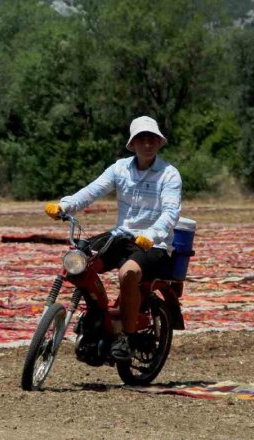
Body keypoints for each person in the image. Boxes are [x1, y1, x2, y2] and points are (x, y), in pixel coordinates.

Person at [44, 116, 182, 362]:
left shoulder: (169, 174)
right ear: (133, 143)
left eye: (152, 139)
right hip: (121, 236)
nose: (147, 144)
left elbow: (170, 213)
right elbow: (91, 191)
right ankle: (97, 320)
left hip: (154, 244)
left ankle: (126, 339)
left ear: (159, 143)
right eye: (141, 139)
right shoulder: (120, 168)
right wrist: (65, 205)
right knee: (79, 262)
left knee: (127, 274)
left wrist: (152, 234)